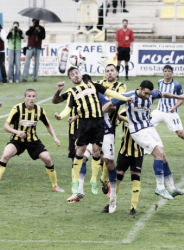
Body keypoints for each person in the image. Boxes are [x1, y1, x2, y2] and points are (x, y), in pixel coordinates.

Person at [55, 67, 132, 213]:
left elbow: (111, 106)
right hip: (90, 129)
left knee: (109, 162)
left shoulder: (99, 93)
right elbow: (82, 108)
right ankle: (80, 190)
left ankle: (112, 197)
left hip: (105, 131)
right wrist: (75, 116)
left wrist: (118, 102)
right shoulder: (81, 95)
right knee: (82, 156)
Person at [111, 80, 184, 200]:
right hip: (137, 131)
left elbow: (164, 94)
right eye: (146, 93)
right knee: (158, 154)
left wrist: (178, 96)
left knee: (163, 156)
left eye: (149, 94)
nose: (148, 96)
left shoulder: (152, 94)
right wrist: (115, 116)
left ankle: (172, 188)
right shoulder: (128, 96)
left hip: (149, 127)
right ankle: (160, 187)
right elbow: (113, 103)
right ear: (140, 88)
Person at [0, 89, 64, 194]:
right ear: (24, 98)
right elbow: (6, 126)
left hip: (33, 141)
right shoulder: (17, 109)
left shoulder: (39, 110)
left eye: (33, 96)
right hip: (17, 140)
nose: (31, 98)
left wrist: (55, 137)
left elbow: (48, 125)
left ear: (36, 98)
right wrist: (17, 132)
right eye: (29, 96)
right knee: (5, 155)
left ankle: (55, 186)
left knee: (47, 159)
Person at [52, 74, 99, 195]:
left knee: (94, 156)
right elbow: (56, 101)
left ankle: (94, 183)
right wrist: (58, 91)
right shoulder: (72, 92)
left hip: (91, 127)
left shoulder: (94, 92)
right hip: (75, 130)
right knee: (76, 158)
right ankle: (79, 190)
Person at [102, 108, 144, 216]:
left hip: (137, 152)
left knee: (135, 177)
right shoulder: (124, 111)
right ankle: (111, 203)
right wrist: (115, 121)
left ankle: (133, 208)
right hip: (124, 151)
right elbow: (115, 122)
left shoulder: (144, 113)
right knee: (118, 177)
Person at [151, 65, 184, 155]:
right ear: (163, 72)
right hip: (159, 111)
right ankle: (147, 148)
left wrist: (174, 107)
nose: (167, 73)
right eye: (165, 71)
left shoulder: (176, 85)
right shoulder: (160, 82)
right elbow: (160, 94)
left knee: (180, 134)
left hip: (171, 112)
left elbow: (181, 99)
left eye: (169, 71)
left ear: (172, 73)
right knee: (146, 127)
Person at [96, 64, 126, 194]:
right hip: (96, 124)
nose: (109, 73)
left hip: (111, 125)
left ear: (117, 73)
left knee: (108, 154)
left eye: (112, 71)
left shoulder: (121, 86)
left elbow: (116, 103)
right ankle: (102, 177)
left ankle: (103, 179)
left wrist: (105, 105)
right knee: (99, 152)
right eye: (107, 71)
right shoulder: (98, 83)